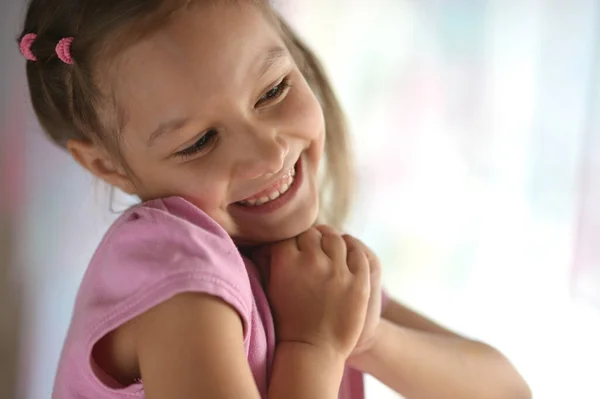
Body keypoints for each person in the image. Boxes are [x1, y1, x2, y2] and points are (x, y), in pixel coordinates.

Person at [18, 1, 531, 398]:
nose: (267, 154)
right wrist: (314, 348)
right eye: (200, 142)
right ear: (108, 166)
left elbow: (507, 390)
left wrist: (360, 332)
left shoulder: (288, 266)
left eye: (273, 91)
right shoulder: (175, 272)